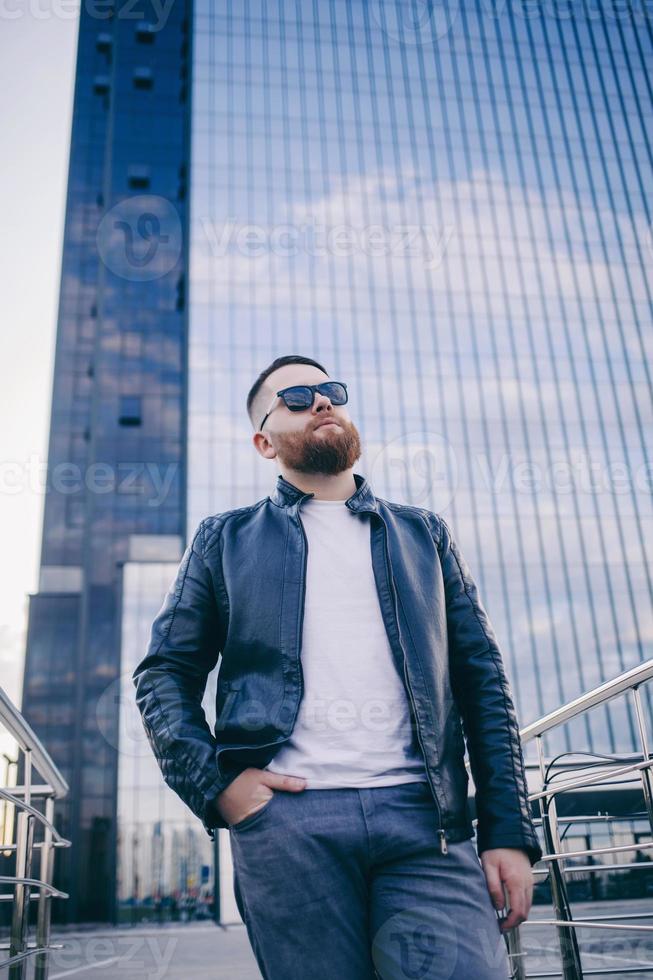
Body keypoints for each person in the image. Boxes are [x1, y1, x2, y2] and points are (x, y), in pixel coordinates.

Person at [133, 354, 543, 979]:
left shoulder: (423, 535)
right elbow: (163, 673)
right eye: (296, 397)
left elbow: (482, 681)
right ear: (264, 442)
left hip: (425, 819)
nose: (321, 402)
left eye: (331, 391)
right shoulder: (225, 540)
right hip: (289, 827)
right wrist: (217, 788)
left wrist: (508, 830)